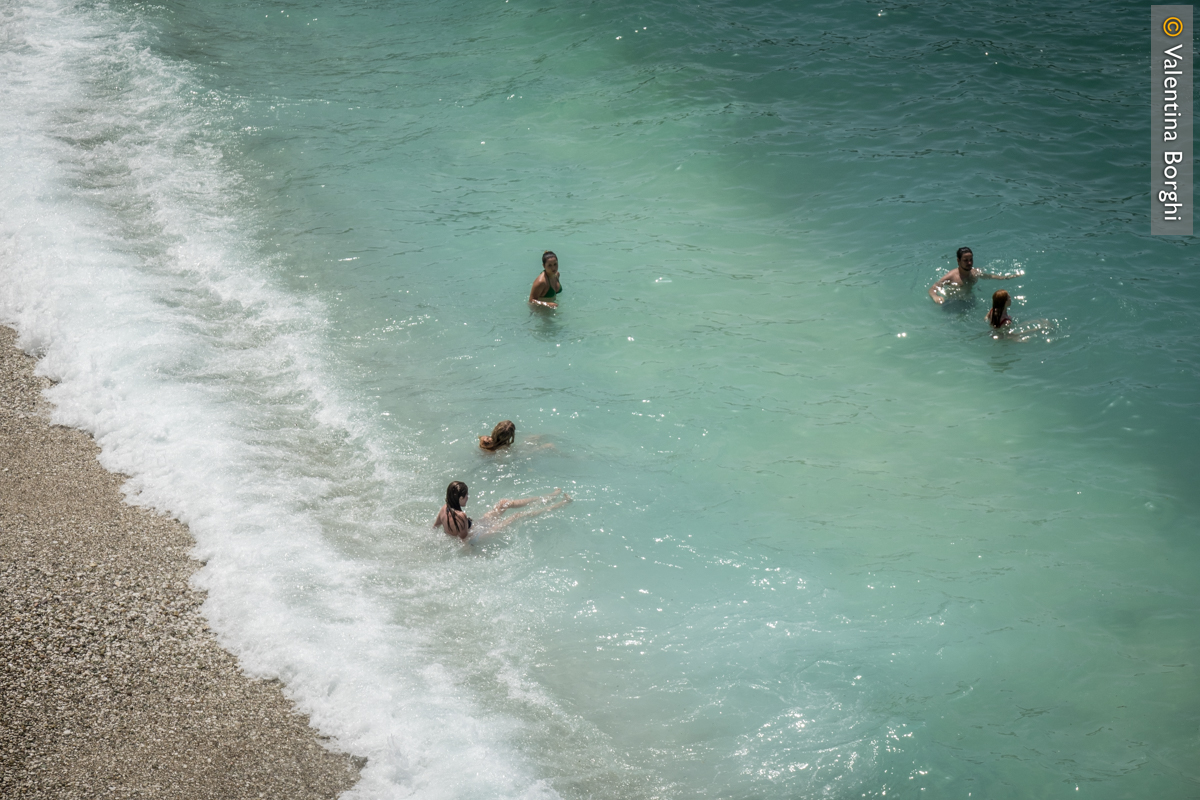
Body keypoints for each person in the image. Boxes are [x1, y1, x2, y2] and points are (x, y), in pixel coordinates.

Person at [433, 481, 571, 541]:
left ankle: (550, 497)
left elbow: (435, 526)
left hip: (476, 527)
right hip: (477, 535)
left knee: (504, 503)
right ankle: (561, 504)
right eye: (466, 496)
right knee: (517, 516)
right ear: (460, 498)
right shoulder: (461, 515)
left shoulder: (444, 508)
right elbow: (464, 539)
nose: (468, 497)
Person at [928, 247, 1020, 304]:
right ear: (958, 261)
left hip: (970, 298)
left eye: (971, 259)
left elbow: (989, 276)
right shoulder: (951, 277)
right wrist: (936, 297)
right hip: (954, 301)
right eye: (965, 260)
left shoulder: (975, 272)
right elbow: (932, 289)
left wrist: (1006, 278)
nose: (969, 263)